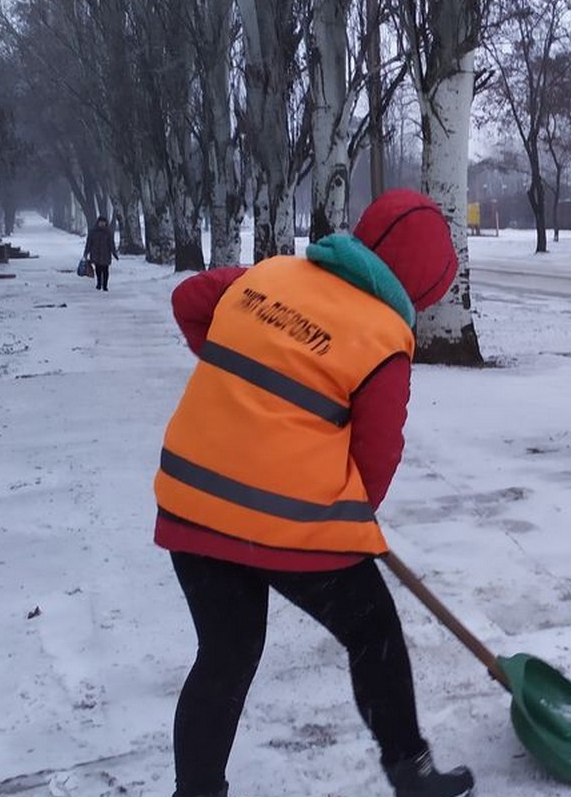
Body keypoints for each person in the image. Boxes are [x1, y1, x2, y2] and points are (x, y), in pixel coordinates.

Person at [153, 189, 473, 797]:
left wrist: (244, 380)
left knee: (226, 652)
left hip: (191, 499)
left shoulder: (274, 273)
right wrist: (345, 518)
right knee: (372, 629)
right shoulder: (384, 335)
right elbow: (374, 463)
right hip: (286, 519)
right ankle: (412, 769)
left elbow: (188, 299)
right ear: (424, 287)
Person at [83, 215, 118, 291]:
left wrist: (114, 253)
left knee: (105, 270)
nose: (102, 224)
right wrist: (86, 252)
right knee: (98, 269)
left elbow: (111, 243)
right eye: (100, 222)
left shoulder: (108, 232)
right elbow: (89, 243)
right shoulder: (93, 232)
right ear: (98, 223)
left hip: (106, 254)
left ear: (106, 223)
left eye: (103, 222)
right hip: (96, 254)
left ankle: (105, 285)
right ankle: (99, 283)